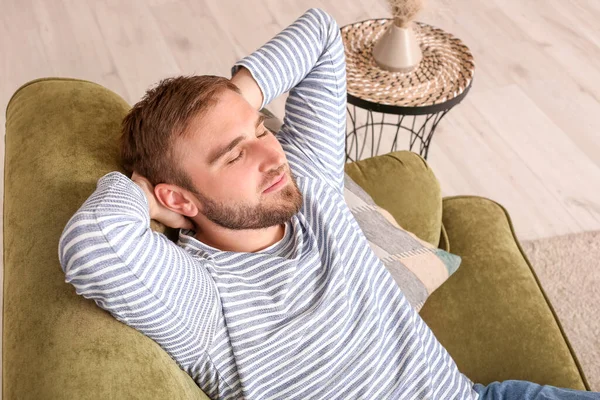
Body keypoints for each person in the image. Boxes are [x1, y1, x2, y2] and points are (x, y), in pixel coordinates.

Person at [58, 8, 599, 400]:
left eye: (258, 130)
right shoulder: (201, 300)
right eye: (233, 155)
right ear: (178, 196)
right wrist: (146, 195)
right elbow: (92, 243)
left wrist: (238, 97)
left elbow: (320, 33)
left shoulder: (310, 187)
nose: (271, 156)